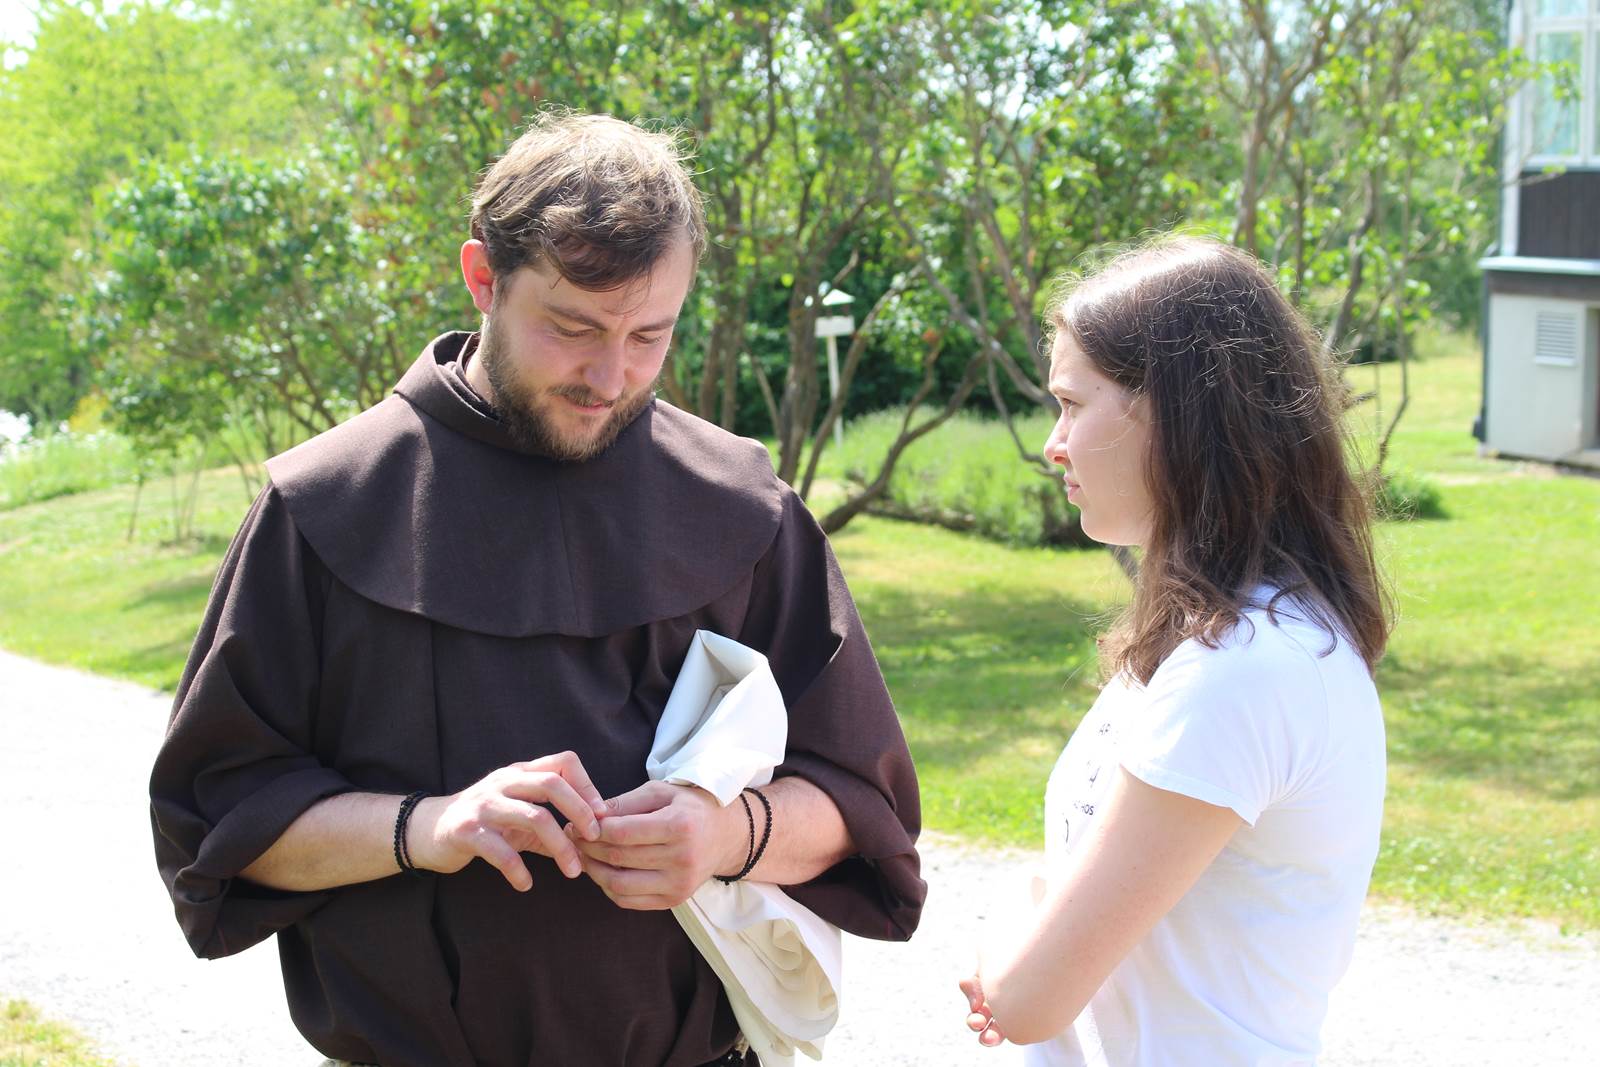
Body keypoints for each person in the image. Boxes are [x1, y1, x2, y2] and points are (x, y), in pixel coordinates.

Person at [148, 111, 925, 1067]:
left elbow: (862, 805)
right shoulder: (322, 505)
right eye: (573, 328)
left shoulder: (744, 504)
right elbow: (221, 824)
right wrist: (424, 826)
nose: (612, 375)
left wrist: (726, 833)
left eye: (651, 334)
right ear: (483, 278)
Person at [959, 237, 1390, 1065]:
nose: (1054, 444)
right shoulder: (1210, 642)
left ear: (1177, 414)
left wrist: (1000, 931)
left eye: (1073, 405)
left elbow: (1025, 996)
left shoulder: (1243, 669)